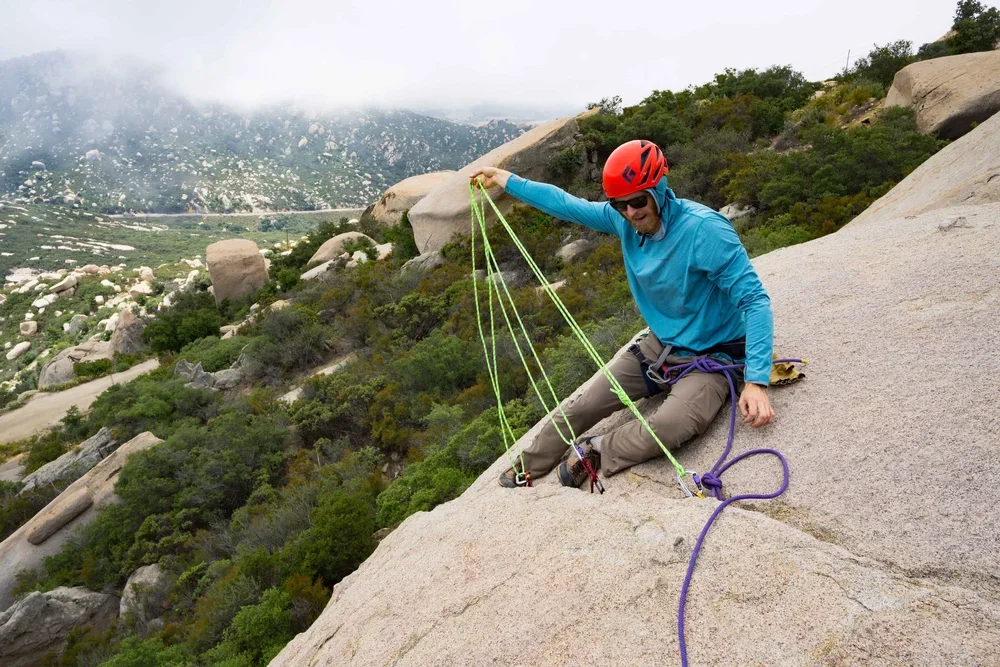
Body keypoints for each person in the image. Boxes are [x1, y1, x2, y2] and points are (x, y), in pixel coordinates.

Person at [469, 139, 775, 490]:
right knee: (585, 404)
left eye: (638, 201)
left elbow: (754, 300)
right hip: (659, 348)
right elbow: (568, 205)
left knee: (673, 424)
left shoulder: (704, 231)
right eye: (620, 205)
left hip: (712, 355)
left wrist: (755, 381)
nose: (630, 213)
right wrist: (507, 178)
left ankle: (598, 449)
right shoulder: (624, 222)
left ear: (659, 189)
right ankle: (530, 464)